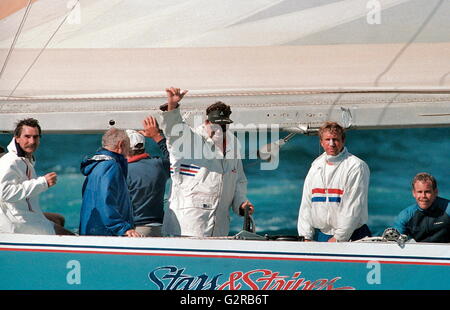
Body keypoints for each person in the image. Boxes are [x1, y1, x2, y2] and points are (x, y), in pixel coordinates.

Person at [155, 87, 254, 237]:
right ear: (207, 122)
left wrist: (241, 203)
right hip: (187, 225)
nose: (220, 129)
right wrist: (173, 106)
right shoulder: (191, 139)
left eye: (223, 125)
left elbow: (238, 181)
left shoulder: (233, 144)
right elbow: (173, 129)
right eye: (216, 125)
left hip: (219, 228)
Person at [297, 121, 371, 242]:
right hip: (323, 235)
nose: (331, 144)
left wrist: (338, 238)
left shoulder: (356, 166)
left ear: (343, 141)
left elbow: (353, 207)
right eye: (327, 139)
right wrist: (306, 236)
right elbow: (306, 204)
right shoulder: (316, 166)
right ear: (321, 142)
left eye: (335, 139)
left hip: (353, 235)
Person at [0, 118, 73, 235]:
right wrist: (43, 183)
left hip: (27, 216)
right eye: (27, 136)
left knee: (59, 219)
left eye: (36, 137)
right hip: (17, 222)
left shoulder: (26, 160)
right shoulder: (10, 162)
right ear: (17, 138)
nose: (32, 141)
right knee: (71, 237)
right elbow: (5, 193)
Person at [79, 128, 142, 237]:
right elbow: (106, 201)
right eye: (128, 148)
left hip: (91, 231)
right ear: (121, 145)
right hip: (106, 235)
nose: (128, 153)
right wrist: (122, 228)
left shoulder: (95, 165)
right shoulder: (111, 166)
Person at [125, 116, 170, 237]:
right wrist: (157, 136)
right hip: (160, 228)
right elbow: (176, 158)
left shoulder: (122, 171)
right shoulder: (159, 165)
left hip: (134, 231)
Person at [393, 172, 449, 243]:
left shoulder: (447, 208)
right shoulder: (406, 215)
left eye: (427, 192)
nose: (423, 196)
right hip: (418, 252)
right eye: (419, 192)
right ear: (414, 193)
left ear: (435, 192)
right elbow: (394, 243)